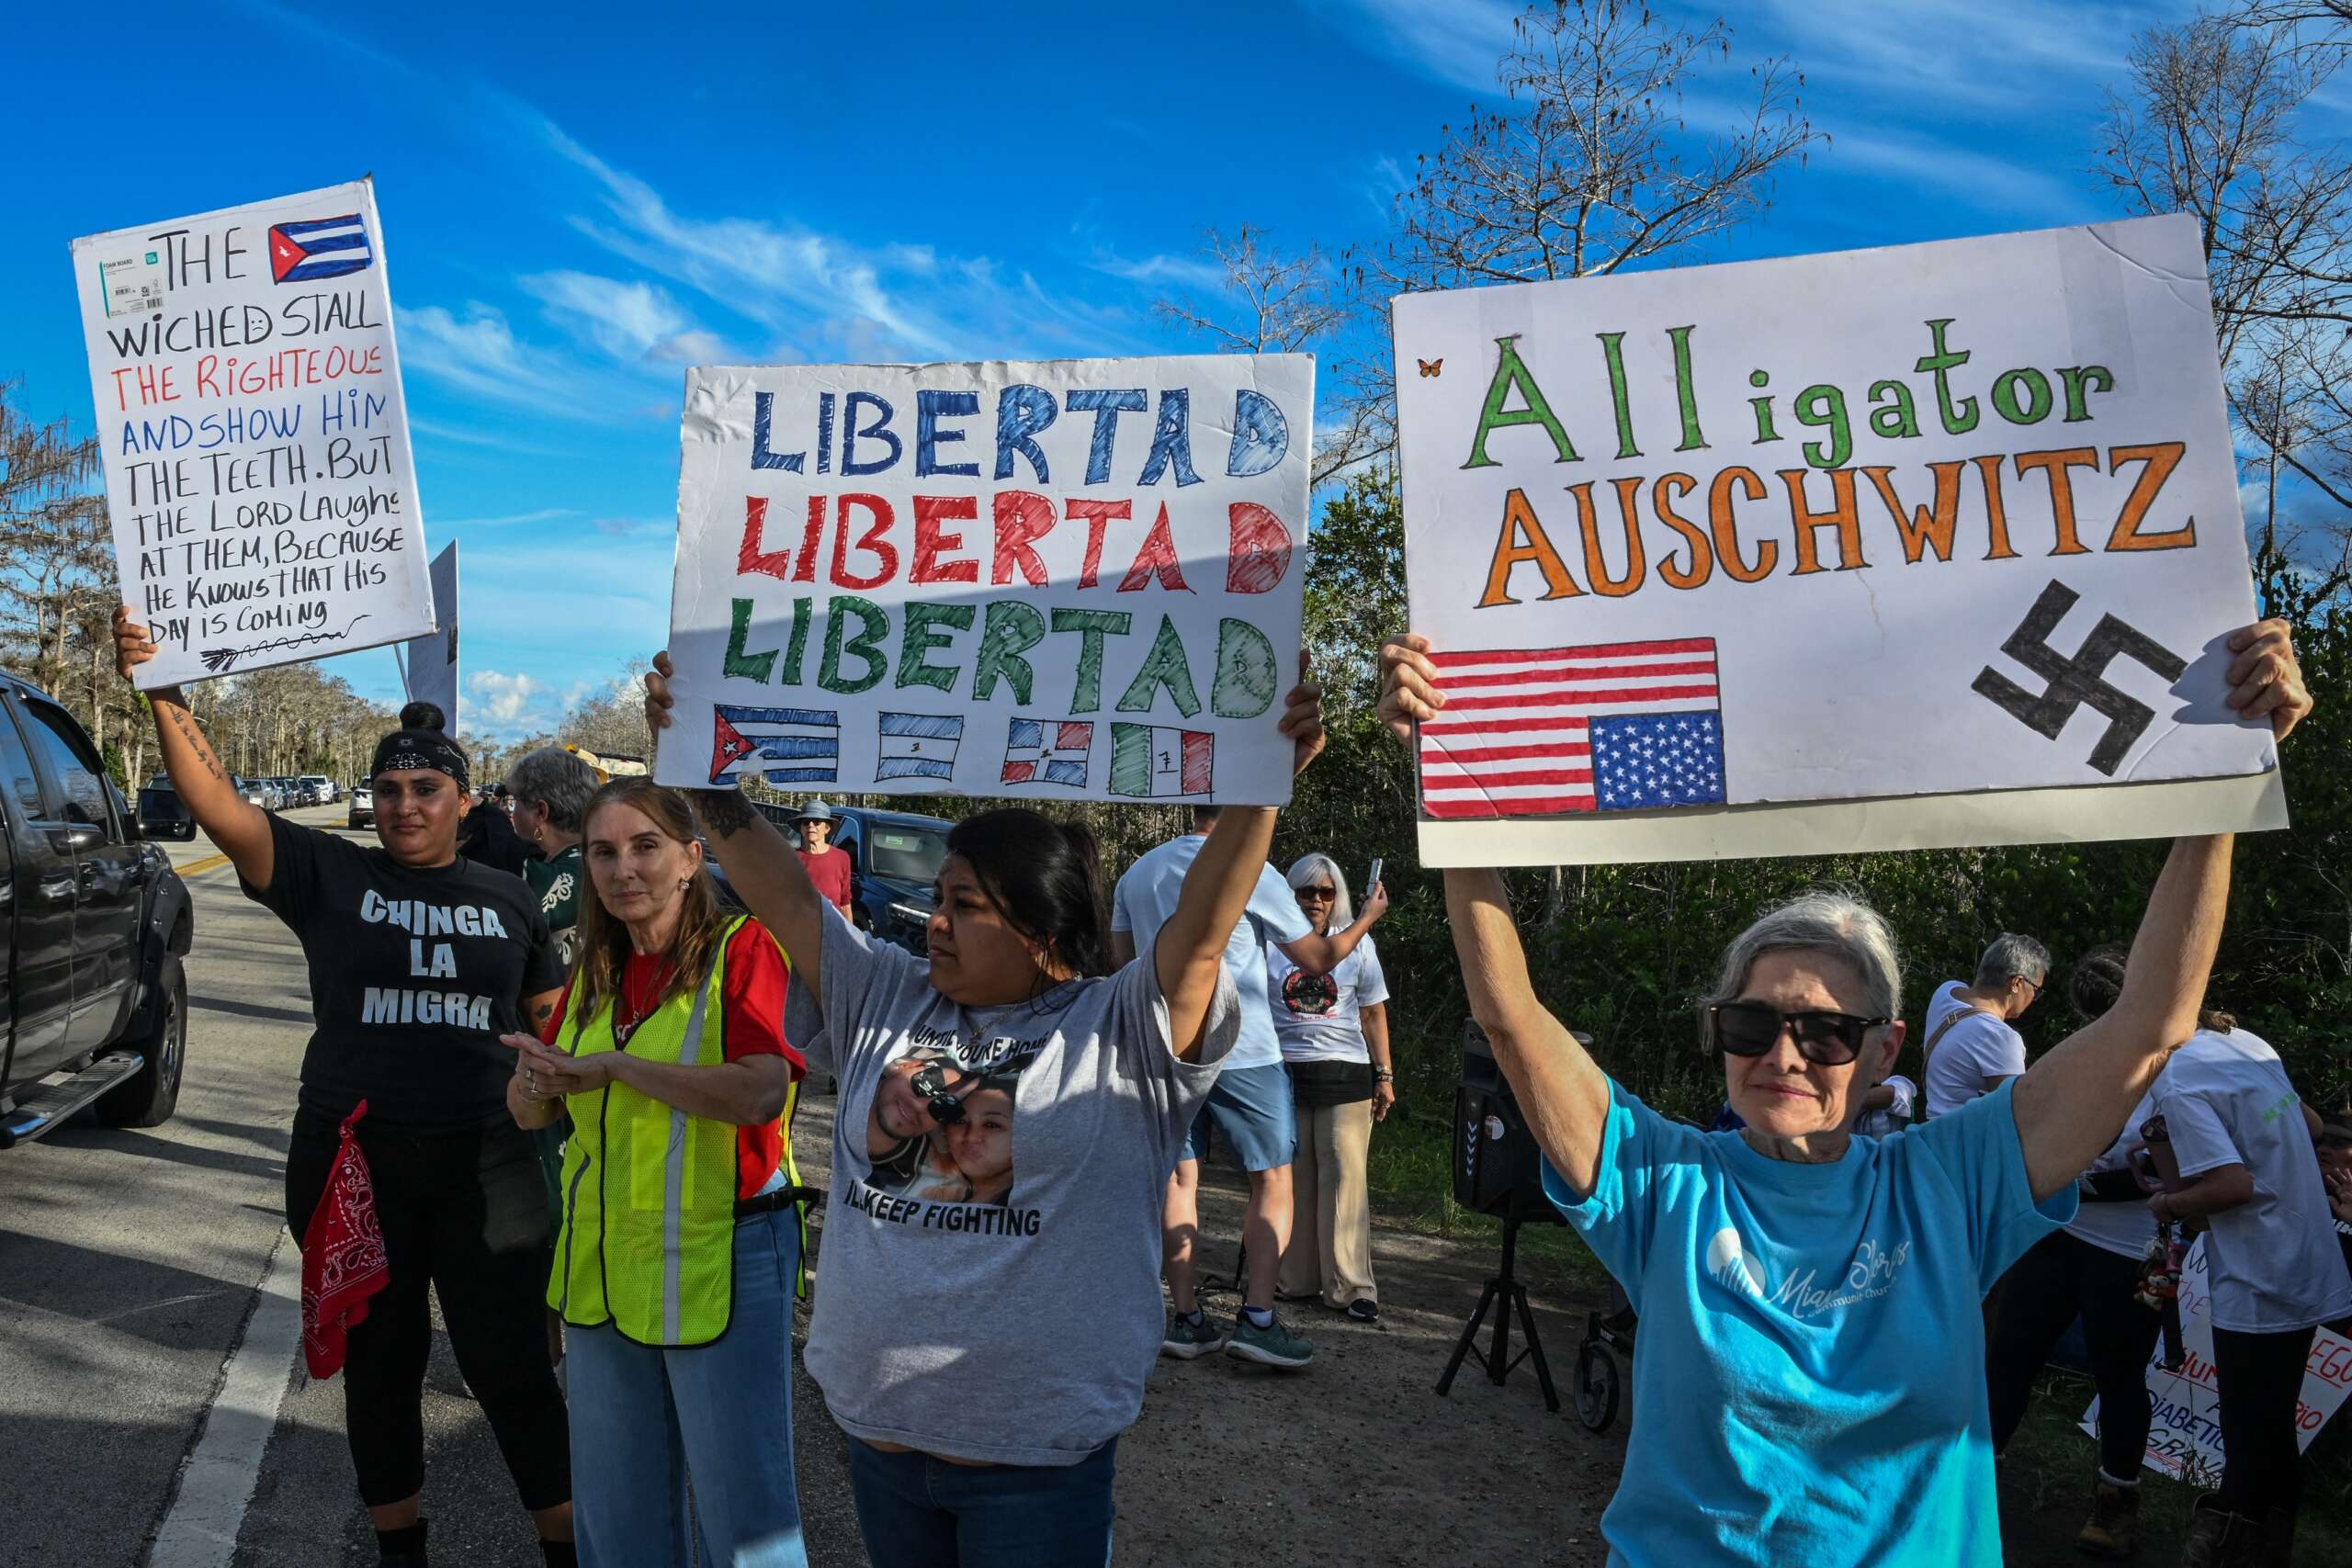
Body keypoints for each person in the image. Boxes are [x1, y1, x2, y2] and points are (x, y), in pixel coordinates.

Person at [1375, 619, 2308, 1567]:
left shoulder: (1952, 1181)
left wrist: (2222, 782)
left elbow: (2151, 1023)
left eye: (1825, 1031)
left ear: (1881, 1054)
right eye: (1752, 1023)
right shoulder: (1661, 1181)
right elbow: (1509, 1014)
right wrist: (1445, 776)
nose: (1783, 1053)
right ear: (1719, 1036)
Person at [641, 648, 1327, 1568]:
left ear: (1041, 934)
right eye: (936, 899)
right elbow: (781, 891)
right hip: (879, 1438)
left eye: (963, 906)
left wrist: (1259, 787)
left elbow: (1200, 937)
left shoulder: (1120, 1024)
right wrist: (698, 775)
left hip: (1034, 1465)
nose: (932, 921)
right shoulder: (885, 993)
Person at [114, 609, 574, 1568]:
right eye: (389, 788)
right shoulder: (329, 872)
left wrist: (561, 1101)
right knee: (381, 1365)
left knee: (513, 1369)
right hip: (354, 1161)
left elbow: (556, 1023)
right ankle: (399, 1550)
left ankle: (566, 1547)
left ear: (461, 797)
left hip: (487, 1162)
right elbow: (223, 808)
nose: (405, 804)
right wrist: (164, 690)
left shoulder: (510, 897)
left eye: (426, 788)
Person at [503, 779, 810, 1568]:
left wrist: (615, 1067)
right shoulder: (597, 965)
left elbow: (760, 1088)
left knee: (746, 1523)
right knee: (618, 1519)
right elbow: (536, 1112)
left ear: (691, 859)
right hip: (606, 1269)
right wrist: (536, 1078)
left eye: (645, 846)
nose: (621, 868)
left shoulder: (741, 947)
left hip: (722, 1256)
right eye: (602, 851)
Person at [1111, 807, 1385, 1371]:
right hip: (1244, 1049)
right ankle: (1258, 1320)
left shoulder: (1138, 872)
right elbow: (1318, 959)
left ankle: (1184, 1318)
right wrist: (1368, 918)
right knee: (1272, 1179)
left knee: (1178, 1178)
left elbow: (1121, 964)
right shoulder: (1253, 870)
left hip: (1162, 1048)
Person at [2143, 1011, 2352, 1558]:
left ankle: (2233, 1536)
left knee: (2246, 1423)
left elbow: (2230, 1187)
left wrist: (2168, 1203)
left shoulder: (2176, 1079)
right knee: (2274, 1418)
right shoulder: (2242, 1040)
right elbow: (2307, 1126)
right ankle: (2269, 1542)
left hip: (2259, 1270)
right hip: (2305, 1253)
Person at [1983, 943, 2166, 1558]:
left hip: (2127, 1246)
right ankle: (1975, 1473)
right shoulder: (2081, 1054)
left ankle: (2116, 1502)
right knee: (2010, 1351)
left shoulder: (2172, 1066)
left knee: (2118, 1374)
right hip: (2057, 1232)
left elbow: (2164, 1174)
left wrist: (2073, 1176)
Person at [1267, 852, 1394, 1322]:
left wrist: (1384, 1074)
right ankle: (1295, 1279)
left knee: (1344, 1176)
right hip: (1286, 1073)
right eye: (1306, 892)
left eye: (1325, 892)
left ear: (1338, 896)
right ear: (1290, 894)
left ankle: (1351, 1286)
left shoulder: (1358, 945)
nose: (1316, 901)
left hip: (1345, 1074)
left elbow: (1373, 1012)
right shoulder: (1269, 942)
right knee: (1294, 1179)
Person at [1921, 933, 2050, 1117]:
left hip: (1932, 1132)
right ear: (2017, 983)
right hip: (1967, 1142)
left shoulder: (1945, 993)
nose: (2033, 999)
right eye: (2035, 990)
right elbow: (2015, 1116)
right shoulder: (2000, 1038)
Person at [508, 747, 599, 968]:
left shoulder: (560, 872)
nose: (512, 811)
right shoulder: (594, 857)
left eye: (515, 801)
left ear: (541, 812)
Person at [794, 799, 854, 918]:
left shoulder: (842, 857)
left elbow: (845, 901)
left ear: (827, 828)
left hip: (834, 925)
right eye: (806, 822)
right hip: (801, 925)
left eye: (816, 822)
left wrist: (849, 934)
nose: (811, 825)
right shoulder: (791, 858)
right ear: (801, 828)